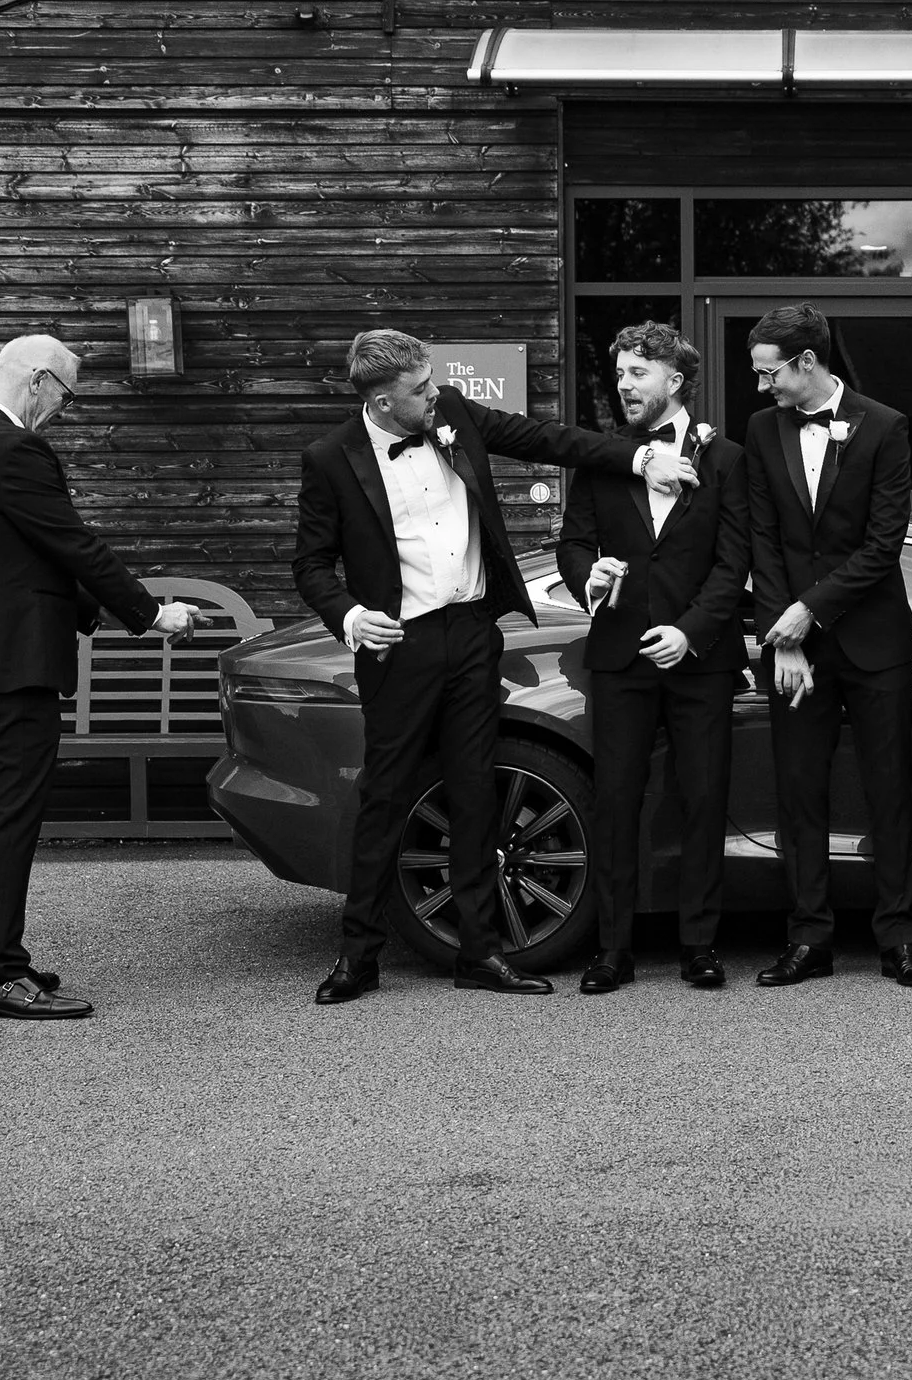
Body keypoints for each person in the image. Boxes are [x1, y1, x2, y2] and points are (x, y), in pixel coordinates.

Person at [294, 328, 696, 1005]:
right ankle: (357, 956)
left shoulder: (452, 412)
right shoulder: (331, 458)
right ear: (384, 402)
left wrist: (640, 457)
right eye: (421, 389)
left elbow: (549, 440)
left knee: (475, 792)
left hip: (474, 634)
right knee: (384, 797)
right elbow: (310, 564)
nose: (436, 394)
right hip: (400, 647)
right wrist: (352, 617)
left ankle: (480, 953)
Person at [0, 335, 196, 1021]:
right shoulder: (14, 449)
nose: (65, 410)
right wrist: (151, 614)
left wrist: (86, 610)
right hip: (13, 666)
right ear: (39, 380)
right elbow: (72, 542)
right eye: (67, 395)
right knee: (9, 817)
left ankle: (2, 962)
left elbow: (13, 554)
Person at [555, 322, 751, 994]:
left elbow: (733, 563)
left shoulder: (727, 459)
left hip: (702, 661)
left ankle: (700, 945)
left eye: (637, 373)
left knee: (703, 800)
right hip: (620, 657)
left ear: (675, 379)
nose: (623, 386)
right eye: (619, 375)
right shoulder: (606, 457)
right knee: (615, 803)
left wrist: (690, 632)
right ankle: (613, 949)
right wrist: (588, 577)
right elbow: (573, 543)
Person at [740, 303, 912, 988]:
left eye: (770, 373)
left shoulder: (886, 425)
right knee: (799, 792)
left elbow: (883, 545)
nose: (763, 386)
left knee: (891, 792)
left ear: (807, 362)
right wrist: (782, 637)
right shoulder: (761, 429)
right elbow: (762, 539)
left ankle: (899, 939)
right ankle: (808, 938)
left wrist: (806, 612)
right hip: (794, 649)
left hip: (876, 643)